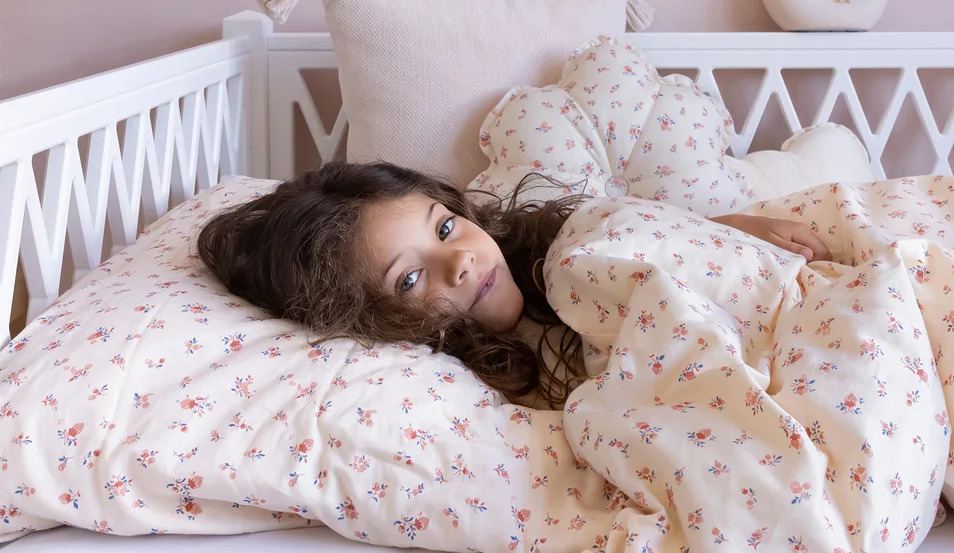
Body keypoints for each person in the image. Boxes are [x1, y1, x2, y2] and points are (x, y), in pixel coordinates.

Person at [197, 161, 830, 407]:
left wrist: (727, 230)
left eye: (446, 227)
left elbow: (652, 244)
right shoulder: (453, 384)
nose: (461, 261)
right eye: (410, 277)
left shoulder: (564, 250)